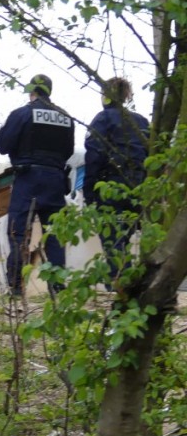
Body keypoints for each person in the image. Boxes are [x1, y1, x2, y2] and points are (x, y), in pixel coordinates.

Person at [0, 73, 76, 298]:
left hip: (28, 179)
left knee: (18, 234)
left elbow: (1, 144)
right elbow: (68, 151)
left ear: (32, 92)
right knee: (55, 235)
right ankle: (58, 289)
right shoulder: (66, 118)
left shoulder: (22, 114)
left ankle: (16, 288)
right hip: (55, 181)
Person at [83, 77, 150, 285]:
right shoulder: (140, 121)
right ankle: (128, 280)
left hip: (110, 186)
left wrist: (89, 190)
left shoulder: (103, 120)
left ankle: (120, 284)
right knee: (126, 237)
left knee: (112, 239)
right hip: (139, 187)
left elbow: (94, 155)